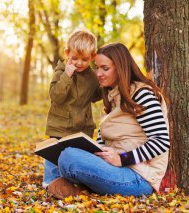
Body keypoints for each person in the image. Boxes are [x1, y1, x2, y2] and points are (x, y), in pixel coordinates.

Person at [46, 43, 170, 199]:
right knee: (62, 152)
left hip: (139, 177)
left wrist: (122, 159)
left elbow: (161, 141)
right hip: (114, 169)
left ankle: (78, 188)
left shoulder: (141, 94)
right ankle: (79, 188)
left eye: (105, 68)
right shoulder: (112, 97)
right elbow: (103, 141)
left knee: (69, 157)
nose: (98, 73)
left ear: (120, 68)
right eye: (97, 68)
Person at [43, 29, 102, 191]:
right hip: (60, 123)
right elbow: (56, 96)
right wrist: (66, 76)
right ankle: (50, 183)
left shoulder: (92, 76)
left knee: (79, 155)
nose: (79, 63)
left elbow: (96, 96)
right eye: (75, 58)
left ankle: (75, 181)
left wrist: (105, 85)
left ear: (92, 57)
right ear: (67, 52)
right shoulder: (61, 71)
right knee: (54, 154)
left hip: (82, 125)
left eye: (85, 59)